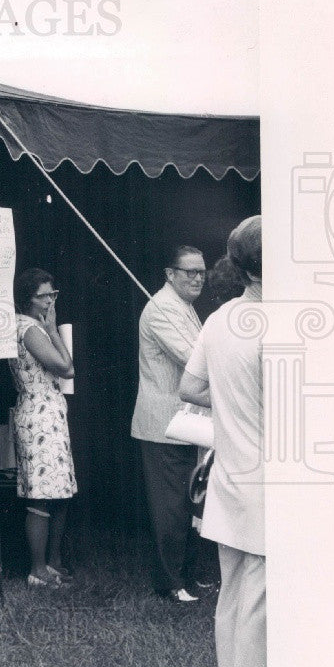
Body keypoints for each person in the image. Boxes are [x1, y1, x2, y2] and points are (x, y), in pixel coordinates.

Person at [180, 216, 265, 667]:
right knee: (262, 603)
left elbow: (190, 388)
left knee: (233, 595)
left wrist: (233, 400)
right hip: (270, 483)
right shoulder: (282, 323)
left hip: (230, 478)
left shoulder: (218, 318)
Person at [130, 245, 207, 603]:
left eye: (201, 272)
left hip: (188, 423)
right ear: (170, 273)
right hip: (164, 424)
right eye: (188, 271)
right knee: (171, 507)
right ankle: (170, 583)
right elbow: (195, 361)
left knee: (192, 503)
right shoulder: (160, 309)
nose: (196, 278)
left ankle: (188, 576)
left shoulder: (185, 307)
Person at [9, 268, 76, 587]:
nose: (50, 301)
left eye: (53, 294)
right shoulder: (29, 328)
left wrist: (50, 329)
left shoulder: (36, 326)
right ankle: (37, 569)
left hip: (49, 411)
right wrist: (53, 330)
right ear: (27, 299)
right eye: (43, 296)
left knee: (58, 489)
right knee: (41, 492)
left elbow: (66, 369)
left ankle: (53, 563)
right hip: (38, 413)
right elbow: (66, 367)